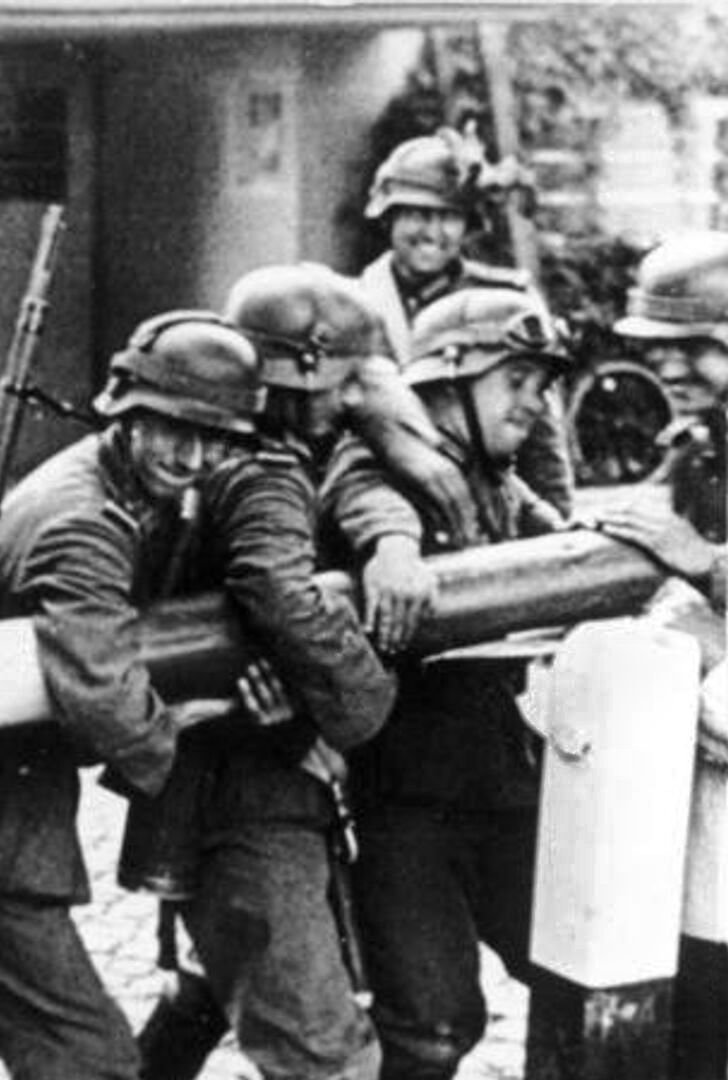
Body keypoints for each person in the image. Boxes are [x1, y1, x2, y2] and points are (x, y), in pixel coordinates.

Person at [130, 267, 399, 1080]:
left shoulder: (329, 456)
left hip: (270, 773)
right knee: (321, 1053)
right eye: (345, 382)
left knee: (206, 991)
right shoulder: (249, 471)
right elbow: (275, 600)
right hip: (245, 794)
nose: (341, 402)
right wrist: (358, 716)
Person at [322, 287, 573, 1080]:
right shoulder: (389, 466)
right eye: (518, 380)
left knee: (578, 962)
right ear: (447, 380)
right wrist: (392, 551)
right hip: (409, 810)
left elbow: (560, 543)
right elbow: (363, 496)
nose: (536, 404)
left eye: (543, 385)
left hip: (506, 795)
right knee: (431, 1022)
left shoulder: (494, 479)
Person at [592, 231, 728, 1079]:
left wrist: (706, 563)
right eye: (657, 348)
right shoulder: (700, 448)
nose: (669, 366)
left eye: (690, 346)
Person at [357, 129, 575, 516]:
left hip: (488, 503)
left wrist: (556, 526)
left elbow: (540, 434)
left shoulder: (505, 300)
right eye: (415, 213)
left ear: (468, 225)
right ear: (389, 218)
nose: (432, 232)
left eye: (449, 217)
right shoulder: (359, 304)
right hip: (387, 501)